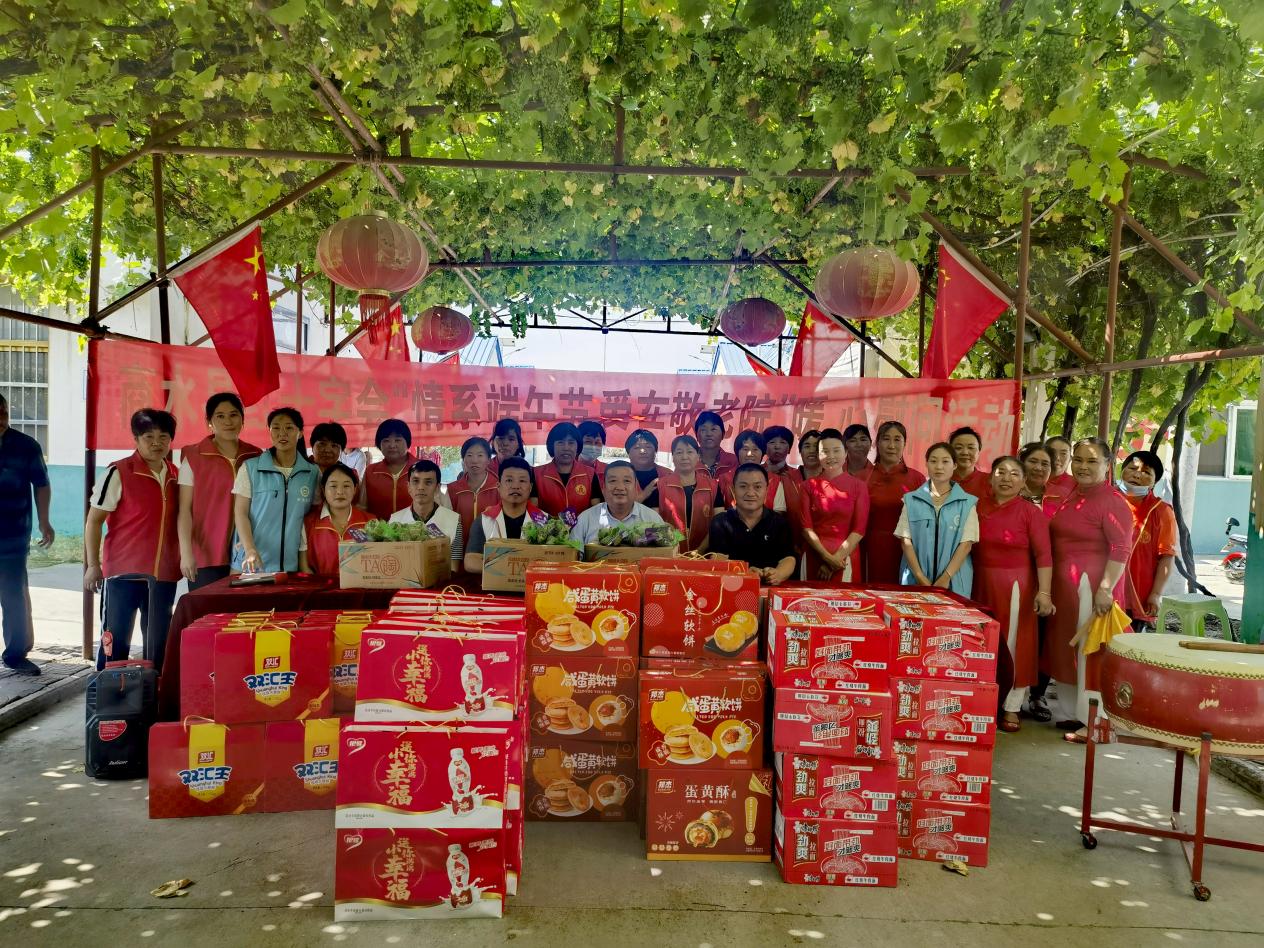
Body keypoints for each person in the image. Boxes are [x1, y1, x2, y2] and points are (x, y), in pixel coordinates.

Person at [1044, 437, 1132, 742]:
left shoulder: (1113, 501)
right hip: (1066, 587)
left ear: (1107, 465)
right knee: (1067, 650)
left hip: (1092, 587)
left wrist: (1105, 588)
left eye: (1092, 461)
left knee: (1091, 652)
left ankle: (1098, 723)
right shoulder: (1072, 494)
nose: (1083, 466)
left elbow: (1121, 548)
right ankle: (1074, 713)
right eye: (1078, 459)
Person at [83, 408, 180, 670]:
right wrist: (93, 565)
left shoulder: (176, 475)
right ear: (136, 439)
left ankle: (152, 692)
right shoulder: (118, 472)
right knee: (114, 643)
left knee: (158, 644)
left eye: (163, 437)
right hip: (122, 576)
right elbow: (94, 521)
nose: (156, 443)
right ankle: (108, 691)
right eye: (149, 437)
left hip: (163, 577)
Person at [974, 456, 1054, 733]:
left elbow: (1044, 555)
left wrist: (1044, 592)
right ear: (990, 478)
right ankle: (983, 703)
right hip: (980, 583)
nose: (1006, 478)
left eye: (1013, 474)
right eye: (1000, 472)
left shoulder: (1031, 512)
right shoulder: (976, 506)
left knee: (1014, 643)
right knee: (983, 643)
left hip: (1017, 586)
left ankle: (1012, 706)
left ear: (1023, 481)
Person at [177, 393, 263, 590]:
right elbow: (184, 510)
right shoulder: (194, 456)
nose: (228, 422)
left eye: (233, 415)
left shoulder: (256, 456)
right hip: (207, 554)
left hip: (247, 553)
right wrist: (186, 553)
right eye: (220, 416)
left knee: (242, 608)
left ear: (242, 419)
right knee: (208, 609)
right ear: (209, 421)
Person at [0, 392, 52, 675]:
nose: (0, 419)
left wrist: (44, 521)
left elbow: (41, 484)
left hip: (12, 538)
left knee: (14, 596)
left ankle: (16, 654)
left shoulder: (26, 446)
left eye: (3, 413)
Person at [232, 407, 319, 573]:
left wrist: (304, 562)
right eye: (276, 428)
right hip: (251, 562)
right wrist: (249, 549)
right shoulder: (251, 468)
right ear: (269, 432)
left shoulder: (312, 473)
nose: (282, 433)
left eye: (289, 428)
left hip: (291, 565)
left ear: (300, 433)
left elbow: (311, 518)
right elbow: (240, 513)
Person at [895, 442, 978, 597]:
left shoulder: (967, 502)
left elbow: (966, 544)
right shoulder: (911, 500)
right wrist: (920, 577)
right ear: (926, 464)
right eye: (933, 461)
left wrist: (946, 577)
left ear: (954, 465)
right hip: (916, 579)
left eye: (945, 461)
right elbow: (905, 541)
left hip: (953, 580)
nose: (939, 467)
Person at [707, 463, 797, 586]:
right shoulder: (720, 522)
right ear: (733, 489)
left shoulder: (779, 522)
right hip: (731, 588)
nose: (750, 493)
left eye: (757, 487)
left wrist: (779, 574)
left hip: (769, 590)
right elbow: (716, 558)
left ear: (767, 489)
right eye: (743, 486)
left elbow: (788, 558)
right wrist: (743, 571)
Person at [800, 428, 870, 582]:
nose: (831, 456)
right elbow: (806, 528)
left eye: (836, 450)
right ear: (819, 455)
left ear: (846, 453)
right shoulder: (807, 486)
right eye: (825, 451)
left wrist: (835, 560)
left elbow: (859, 530)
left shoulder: (859, 486)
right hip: (814, 556)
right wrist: (826, 557)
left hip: (845, 558)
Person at [862, 421, 926, 584]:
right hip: (870, 549)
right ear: (877, 443)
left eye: (897, 439)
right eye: (886, 439)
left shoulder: (917, 479)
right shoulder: (863, 477)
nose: (891, 445)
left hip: (908, 551)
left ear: (905, 443)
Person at [1118, 450, 1176, 628]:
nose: (1137, 475)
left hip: (1137, 596)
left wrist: (1156, 594)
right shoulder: (1106, 500)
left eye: (1146, 472)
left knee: (1128, 644)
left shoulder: (1161, 511)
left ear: (1155, 481)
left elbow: (1166, 557)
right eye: (1132, 468)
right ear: (1122, 471)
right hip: (1101, 592)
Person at [463, 457, 542, 573]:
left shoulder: (545, 521)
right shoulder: (484, 520)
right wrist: (511, 570)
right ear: (498, 487)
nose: (515, 486)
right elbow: (471, 561)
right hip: (494, 584)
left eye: (522, 481)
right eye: (509, 480)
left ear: (530, 488)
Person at [390, 458, 464, 570]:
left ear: (437, 488)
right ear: (408, 487)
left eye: (428, 482)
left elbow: (453, 568)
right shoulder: (395, 521)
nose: (421, 487)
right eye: (415, 481)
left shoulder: (453, 520)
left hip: (440, 580)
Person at [570, 460, 665, 546]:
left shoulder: (653, 519)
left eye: (627, 481)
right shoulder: (585, 520)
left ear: (636, 487)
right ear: (603, 488)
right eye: (613, 481)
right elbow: (574, 555)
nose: (620, 487)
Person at [300, 463, 371, 578]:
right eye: (333, 486)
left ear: (355, 489)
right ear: (323, 490)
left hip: (361, 588)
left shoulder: (370, 522)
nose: (340, 492)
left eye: (346, 486)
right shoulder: (308, 524)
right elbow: (305, 568)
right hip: (320, 588)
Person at [658, 435, 717, 552]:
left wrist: (699, 551)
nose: (684, 457)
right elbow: (653, 524)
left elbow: (718, 524)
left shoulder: (713, 486)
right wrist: (674, 549)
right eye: (679, 452)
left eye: (690, 452)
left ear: (698, 456)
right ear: (673, 457)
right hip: (669, 552)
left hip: (705, 554)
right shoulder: (660, 485)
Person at [534, 422, 600, 519]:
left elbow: (596, 511)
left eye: (571, 443)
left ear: (578, 446)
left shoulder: (590, 474)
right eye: (560, 442)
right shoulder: (536, 474)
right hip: (546, 528)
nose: (566, 448)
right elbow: (533, 511)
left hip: (583, 529)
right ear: (552, 446)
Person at [446, 436, 499, 547]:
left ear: (488, 460)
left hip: (491, 550)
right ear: (463, 459)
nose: (474, 460)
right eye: (469, 455)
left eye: (480, 455)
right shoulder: (452, 489)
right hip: (459, 550)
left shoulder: (499, 488)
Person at [359, 419, 416, 520]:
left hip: (416, 529)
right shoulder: (371, 471)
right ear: (379, 444)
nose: (392, 445)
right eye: (386, 440)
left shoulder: (423, 469)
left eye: (397, 440)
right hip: (379, 529)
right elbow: (362, 507)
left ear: (407, 442)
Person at [718, 430, 785, 512]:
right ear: (737, 452)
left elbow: (778, 514)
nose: (750, 454)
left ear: (762, 453)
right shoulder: (724, 479)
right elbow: (719, 512)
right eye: (745, 449)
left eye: (755, 449)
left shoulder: (775, 481)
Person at [1018, 441, 1070, 518]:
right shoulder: (1008, 491)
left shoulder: (1064, 496)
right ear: (1021, 464)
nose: (1038, 468)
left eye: (1045, 464)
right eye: (1033, 461)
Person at [625, 428, 672, 509]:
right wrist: (643, 495)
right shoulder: (619, 476)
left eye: (648, 447)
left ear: (655, 451)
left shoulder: (668, 475)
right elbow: (615, 509)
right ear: (628, 453)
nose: (642, 451)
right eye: (637, 447)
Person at [949, 426, 991, 498]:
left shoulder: (990, 481)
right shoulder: (941, 480)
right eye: (959, 448)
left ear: (978, 452)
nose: (965, 452)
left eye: (971, 447)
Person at [694, 411, 737, 480]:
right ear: (696, 435)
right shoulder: (688, 461)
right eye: (703, 430)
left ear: (723, 434)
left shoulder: (733, 461)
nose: (709, 434)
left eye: (713, 429)